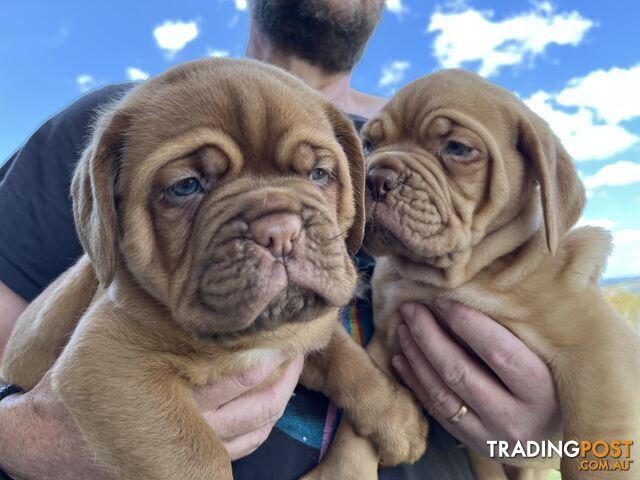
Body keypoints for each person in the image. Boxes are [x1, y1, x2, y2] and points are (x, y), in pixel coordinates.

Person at [0, 1, 561, 478]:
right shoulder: (123, 128)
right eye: (189, 186)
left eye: (318, 175)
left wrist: (554, 440)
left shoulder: (452, 145)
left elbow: (606, 445)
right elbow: (28, 367)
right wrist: (24, 439)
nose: (281, 230)